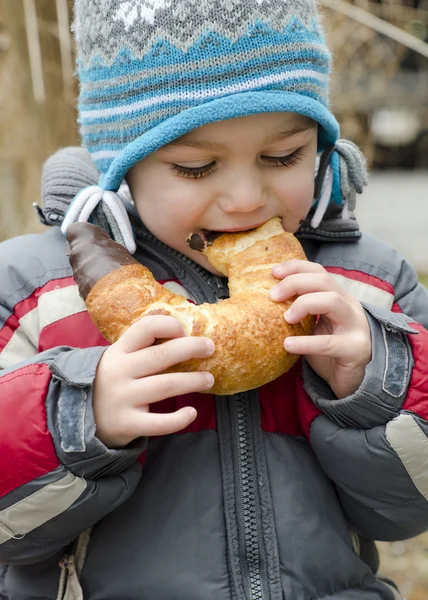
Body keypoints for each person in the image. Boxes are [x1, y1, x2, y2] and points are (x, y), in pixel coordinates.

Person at [1, 0, 428, 598]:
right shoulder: (35, 294)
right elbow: (9, 533)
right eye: (197, 167)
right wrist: (75, 419)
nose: (247, 198)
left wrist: (377, 379)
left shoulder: (367, 286)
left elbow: (408, 510)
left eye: (283, 157)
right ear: (122, 166)